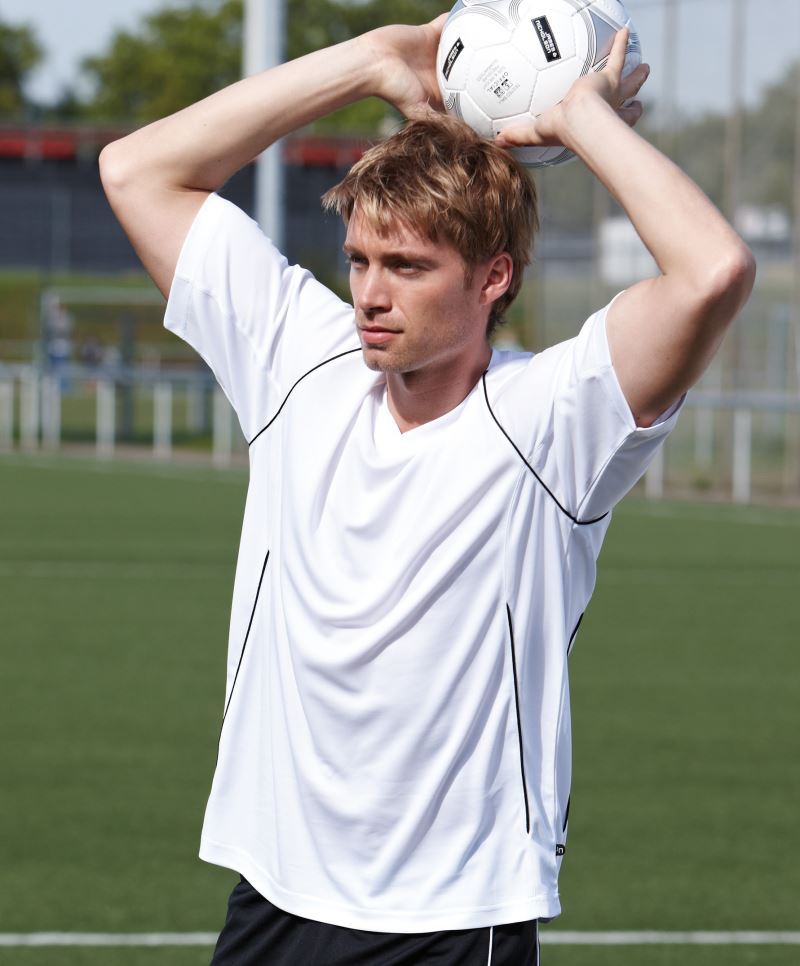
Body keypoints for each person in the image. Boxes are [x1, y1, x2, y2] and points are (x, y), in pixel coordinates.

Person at [99, 13, 755, 966]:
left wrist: (579, 119)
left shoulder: (553, 420)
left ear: (493, 278)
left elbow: (713, 271)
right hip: (275, 894)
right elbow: (136, 170)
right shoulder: (298, 361)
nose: (371, 294)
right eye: (360, 261)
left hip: (451, 920)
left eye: (407, 267)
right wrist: (370, 60)